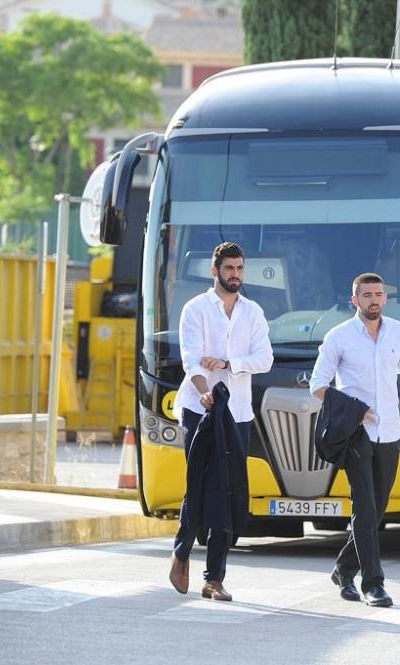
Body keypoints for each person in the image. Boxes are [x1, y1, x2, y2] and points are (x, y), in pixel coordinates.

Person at [310, 272, 400, 608]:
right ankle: (373, 584)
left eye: (379, 294)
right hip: (356, 433)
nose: (374, 300)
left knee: (377, 508)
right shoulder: (339, 337)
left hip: (390, 432)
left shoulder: (398, 331)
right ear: (355, 300)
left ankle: (343, 567)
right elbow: (318, 384)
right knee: (364, 508)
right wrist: (356, 409)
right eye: (367, 295)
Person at [168, 241, 272, 602]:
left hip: (238, 411)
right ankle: (182, 553)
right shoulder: (195, 309)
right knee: (200, 483)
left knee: (227, 490)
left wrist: (229, 363)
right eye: (229, 269)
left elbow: (265, 359)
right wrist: (204, 391)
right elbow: (192, 360)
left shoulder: (253, 312)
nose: (235, 275)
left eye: (240, 269)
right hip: (199, 408)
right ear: (215, 271)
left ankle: (214, 578)